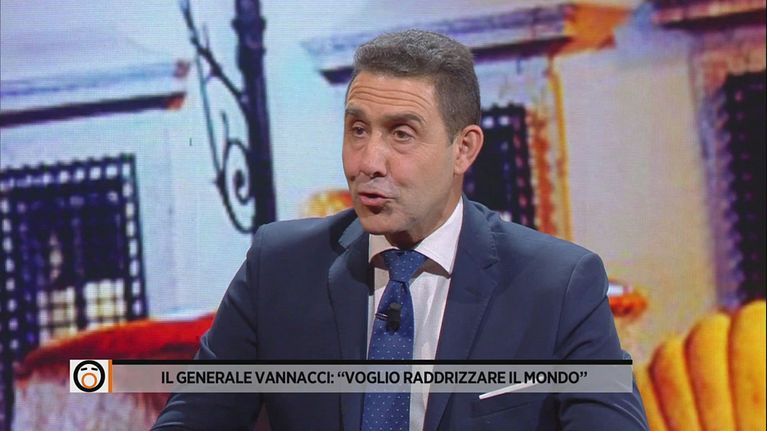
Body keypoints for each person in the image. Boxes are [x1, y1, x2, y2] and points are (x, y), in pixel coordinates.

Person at [153, 29, 648, 430]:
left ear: (464, 149)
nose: (368, 162)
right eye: (358, 129)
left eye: (401, 134)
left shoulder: (559, 286)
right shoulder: (278, 267)